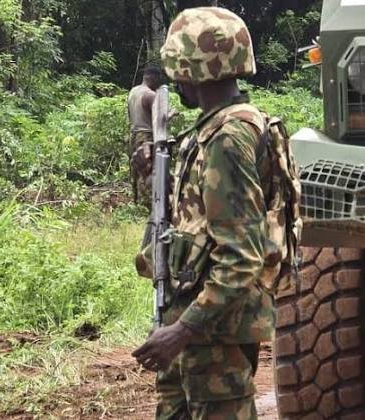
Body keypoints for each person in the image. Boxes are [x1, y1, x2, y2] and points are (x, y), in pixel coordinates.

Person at [132, 7, 274, 419]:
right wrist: (156, 170)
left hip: (214, 334)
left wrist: (183, 329)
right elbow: (192, 219)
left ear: (194, 68)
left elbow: (241, 255)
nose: (175, 80)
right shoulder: (211, 129)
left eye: (178, 68)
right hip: (195, 326)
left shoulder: (229, 137)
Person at [127, 66, 162, 209]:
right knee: (146, 170)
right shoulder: (150, 95)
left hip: (134, 134)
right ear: (154, 78)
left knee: (136, 168)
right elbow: (159, 120)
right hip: (146, 135)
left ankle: (136, 202)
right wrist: (171, 114)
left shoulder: (133, 91)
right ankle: (146, 204)